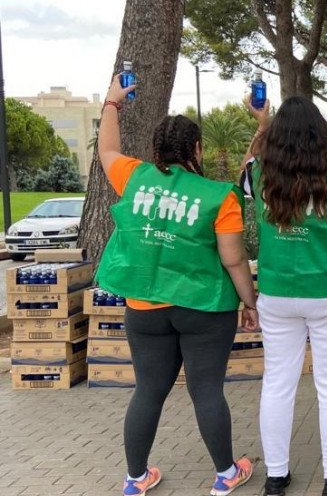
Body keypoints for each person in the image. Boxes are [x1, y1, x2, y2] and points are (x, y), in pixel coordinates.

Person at [95, 75, 258, 496]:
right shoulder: (219, 195)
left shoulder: (133, 177)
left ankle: (135, 479)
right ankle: (225, 474)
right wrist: (249, 301)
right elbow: (234, 258)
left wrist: (112, 103)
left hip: (145, 308)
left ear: (156, 149)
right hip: (205, 307)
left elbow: (107, 150)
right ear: (197, 149)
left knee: (148, 390)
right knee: (206, 390)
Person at [241, 96, 327, 496]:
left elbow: (244, 170)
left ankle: (276, 478)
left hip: (277, 293)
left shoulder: (259, 174)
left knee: (278, 382)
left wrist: (261, 124)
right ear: (322, 135)